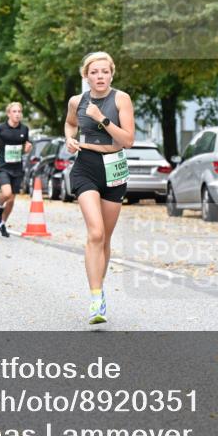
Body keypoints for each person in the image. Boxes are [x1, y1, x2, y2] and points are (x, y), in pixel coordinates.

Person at [63, 52, 135, 324]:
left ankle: (99, 290)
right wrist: (70, 139)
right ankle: (96, 299)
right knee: (94, 232)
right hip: (86, 166)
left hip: (114, 167)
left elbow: (128, 140)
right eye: (94, 72)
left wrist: (102, 118)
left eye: (105, 71)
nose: (100, 76)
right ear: (86, 76)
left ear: (111, 74)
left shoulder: (121, 99)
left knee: (105, 238)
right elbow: (70, 124)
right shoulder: (76, 101)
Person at [0, 102, 32, 238]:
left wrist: (27, 149)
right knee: (6, 193)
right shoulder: (0, 128)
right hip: (3, 167)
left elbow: (26, 146)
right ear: (8, 113)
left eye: (19, 111)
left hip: (17, 168)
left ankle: (2, 223)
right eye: (14, 111)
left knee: (12, 199)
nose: (17, 114)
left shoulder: (24, 129)